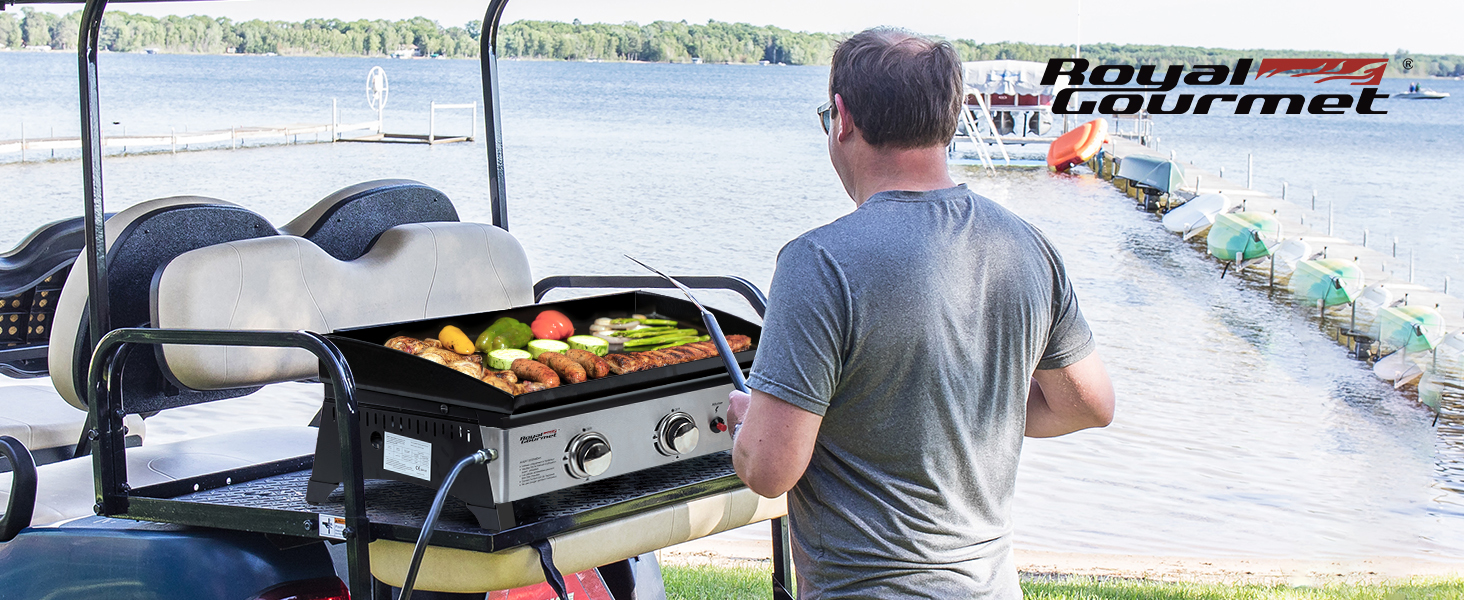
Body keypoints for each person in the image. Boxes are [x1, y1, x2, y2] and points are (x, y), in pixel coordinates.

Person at [726, 28, 1116, 599]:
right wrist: (977, 404)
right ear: (949, 119)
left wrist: (748, 423)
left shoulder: (819, 262)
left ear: (843, 117)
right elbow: (1089, 403)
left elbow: (768, 470)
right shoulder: (1027, 245)